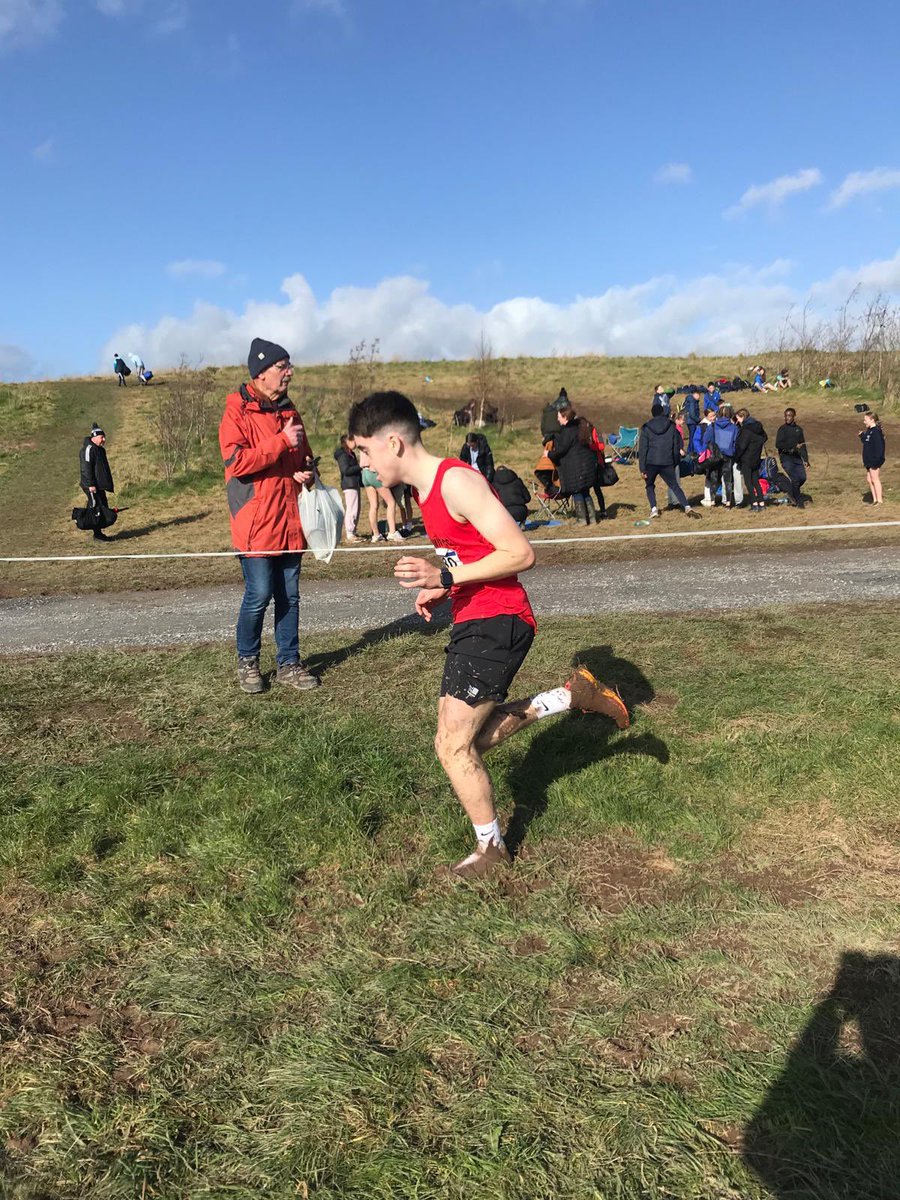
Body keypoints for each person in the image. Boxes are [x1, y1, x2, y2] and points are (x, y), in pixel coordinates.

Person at [348, 390, 629, 880]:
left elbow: (520, 553)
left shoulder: (456, 482)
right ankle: (567, 696)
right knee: (462, 741)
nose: (364, 464)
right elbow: (474, 552)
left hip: (499, 619)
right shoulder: (424, 492)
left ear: (392, 443)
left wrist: (446, 578)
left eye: (364, 451)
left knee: (453, 746)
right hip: (477, 616)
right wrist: (443, 585)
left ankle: (492, 850)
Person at [219, 337, 320, 695]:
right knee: (259, 595)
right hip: (256, 524)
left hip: (291, 521)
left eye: (289, 366)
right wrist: (280, 442)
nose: (289, 373)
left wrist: (306, 471)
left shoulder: (290, 412)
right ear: (261, 373)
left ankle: (289, 664)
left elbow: (303, 456)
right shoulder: (237, 411)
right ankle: (248, 662)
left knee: (290, 597)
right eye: (282, 367)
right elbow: (237, 463)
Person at [638, 402, 698, 519]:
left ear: (652, 414)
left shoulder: (646, 428)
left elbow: (643, 449)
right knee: (674, 485)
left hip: (651, 462)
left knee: (650, 485)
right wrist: (675, 461)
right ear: (662, 412)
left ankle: (654, 509)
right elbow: (676, 445)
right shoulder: (671, 426)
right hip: (667, 461)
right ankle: (687, 506)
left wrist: (642, 468)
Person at [547, 403, 600, 525]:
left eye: (559, 416)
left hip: (575, 467)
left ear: (565, 417)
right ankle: (592, 519)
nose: (557, 418)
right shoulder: (580, 427)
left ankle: (581, 519)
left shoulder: (567, 431)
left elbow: (561, 450)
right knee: (585, 491)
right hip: (586, 465)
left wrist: (548, 454)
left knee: (576, 491)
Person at [79, 423, 115, 541]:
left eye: (104, 437)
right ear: (94, 437)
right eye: (102, 437)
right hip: (91, 486)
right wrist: (91, 484)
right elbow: (86, 468)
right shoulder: (88, 450)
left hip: (99, 485)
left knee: (102, 507)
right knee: (96, 509)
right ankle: (96, 534)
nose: (104, 440)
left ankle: (98, 533)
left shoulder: (100, 450)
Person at [775, 407, 810, 509]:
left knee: (802, 478)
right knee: (795, 479)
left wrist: (806, 460)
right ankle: (799, 502)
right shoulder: (782, 429)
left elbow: (802, 446)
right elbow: (778, 444)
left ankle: (791, 492)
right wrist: (793, 446)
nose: (787, 418)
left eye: (789, 416)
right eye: (786, 416)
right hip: (786, 457)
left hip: (796, 457)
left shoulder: (798, 429)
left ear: (794, 416)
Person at [734, 408, 768, 512]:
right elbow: (764, 437)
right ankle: (761, 502)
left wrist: (736, 457)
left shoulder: (746, 429)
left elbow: (742, 446)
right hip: (756, 457)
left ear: (743, 417)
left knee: (748, 482)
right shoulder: (758, 426)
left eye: (738, 419)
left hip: (746, 458)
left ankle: (754, 503)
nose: (737, 421)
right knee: (756, 481)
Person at [708, 403, 740, 507]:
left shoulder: (713, 426)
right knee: (727, 479)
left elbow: (707, 439)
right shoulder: (734, 428)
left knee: (714, 477)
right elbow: (735, 442)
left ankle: (712, 500)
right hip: (728, 454)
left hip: (716, 454)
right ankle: (728, 501)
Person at [361, 463, 402, 542]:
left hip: (364, 473)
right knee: (391, 502)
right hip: (373, 472)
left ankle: (376, 535)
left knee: (373, 505)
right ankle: (392, 532)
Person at [334, 434, 362, 541]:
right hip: (349, 484)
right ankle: (350, 533)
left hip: (354, 483)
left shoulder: (351, 454)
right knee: (352, 508)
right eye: (352, 440)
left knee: (356, 508)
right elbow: (345, 470)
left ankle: (353, 531)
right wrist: (359, 466)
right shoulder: (343, 455)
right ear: (346, 442)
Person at [860, 411, 885, 505]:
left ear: (872, 420)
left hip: (874, 461)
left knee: (875, 479)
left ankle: (879, 501)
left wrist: (877, 461)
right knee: (869, 480)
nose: (864, 422)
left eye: (865, 420)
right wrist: (862, 435)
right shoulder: (869, 431)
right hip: (868, 460)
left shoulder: (876, 432)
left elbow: (880, 448)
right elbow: (867, 442)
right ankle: (874, 500)